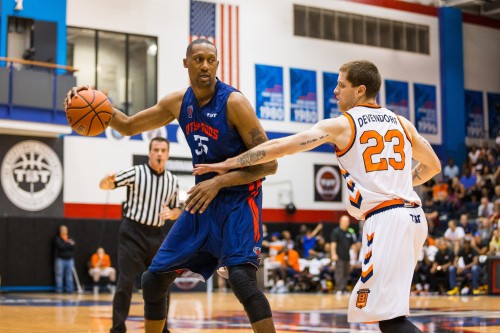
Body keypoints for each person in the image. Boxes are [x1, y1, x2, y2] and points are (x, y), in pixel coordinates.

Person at [193, 60, 441, 333]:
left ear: (360, 90)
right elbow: (432, 166)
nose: (335, 91)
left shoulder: (342, 125)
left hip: (387, 221)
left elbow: (281, 146)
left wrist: (231, 162)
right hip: (414, 217)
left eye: (341, 85)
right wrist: (403, 182)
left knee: (391, 321)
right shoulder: (402, 122)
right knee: (391, 315)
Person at [65, 39, 278, 333]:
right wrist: (90, 99)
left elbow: (270, 164)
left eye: (211, 60)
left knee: (241, 280)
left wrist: (220, 182)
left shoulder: (234, 103)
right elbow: (127, 125)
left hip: (240, 200)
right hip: (202, 201)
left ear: (217, 63)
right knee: (152, 280)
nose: (205, 65)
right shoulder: (177, 103)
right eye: (199, 59)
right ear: (186, 63)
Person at [98, 137, 182, 333]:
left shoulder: (173, 181)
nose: (159, 153)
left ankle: (162, 328)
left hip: (157, 234)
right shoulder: (136, 173)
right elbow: (105, 185)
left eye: (163, 150)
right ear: (149, 153)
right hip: (132, 233)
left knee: (162, 282)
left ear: (168, 154)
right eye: (156, 150)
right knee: (125, 282)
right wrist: (106, 180)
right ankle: (118, 328)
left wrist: (172, 214)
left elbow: (177, 209)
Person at [330, 215, 356, 295]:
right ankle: (339, 289)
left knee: (346, 273)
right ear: (341, 222)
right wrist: (333, 254)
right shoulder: (336, 231)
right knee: (339, 273)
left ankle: (344, 289)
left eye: (348, 221)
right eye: (346, 221)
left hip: (347, 256)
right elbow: (333, 244)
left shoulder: (349, 232)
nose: (347, 223)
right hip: (339, 256)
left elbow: (353, 244)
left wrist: (354, 254)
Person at [54, 225, 76, 294]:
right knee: (59, 275)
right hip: (60, 259)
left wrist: (66, 244)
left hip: (69, 259)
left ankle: (69, 290)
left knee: (69, 275)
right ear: (60, 230)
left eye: (65, 229)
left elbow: (73, 246)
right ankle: (59, 290)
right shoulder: (57, 238)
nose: (64, 231)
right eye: (62, 229)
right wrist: (68, 244)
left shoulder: (70, 238)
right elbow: (60, 247)